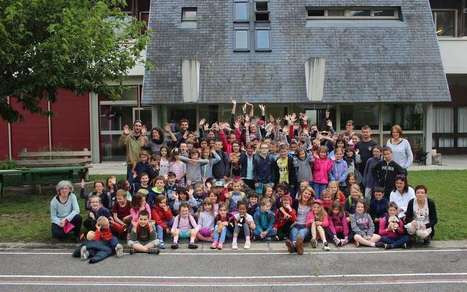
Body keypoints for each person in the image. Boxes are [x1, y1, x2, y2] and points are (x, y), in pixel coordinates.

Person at [285, 186, 314, 255]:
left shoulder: (312, 204)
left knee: (301, 233)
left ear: (311, 196)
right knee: (294, 231)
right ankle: (298, 247)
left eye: (309, 194)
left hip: (305, 226)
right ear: (301, 193)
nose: (307, 195)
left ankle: (293, 247)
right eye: (305, 193)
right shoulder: (295, 202)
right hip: (296, 224)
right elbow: (291, 213)